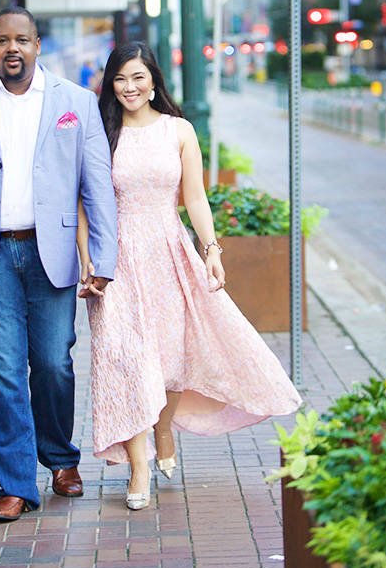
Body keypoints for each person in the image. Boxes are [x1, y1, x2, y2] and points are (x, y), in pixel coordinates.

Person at [78, 42, 302, 511]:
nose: (129, 87)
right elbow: (84, 201)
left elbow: (195, 198)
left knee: (173, 357)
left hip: (169, 250)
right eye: (120, 78)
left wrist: (212, 251)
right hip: (116, 260)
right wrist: (87, 260)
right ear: (109, 84)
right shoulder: (100, 132)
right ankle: (138, 466)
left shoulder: (178, 130)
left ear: (154, 79)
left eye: (138, 76)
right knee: (125, 359)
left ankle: (164, 429)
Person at [0, 7, 117, 523]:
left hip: (51, 252)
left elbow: (96, 187)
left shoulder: (75, 103)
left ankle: (60, 457)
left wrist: (102, 258)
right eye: (0, 41)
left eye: (21, 40)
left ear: (38, 44)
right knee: (1, 370)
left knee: (55, 363)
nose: (11, 48)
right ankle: (15, 485)